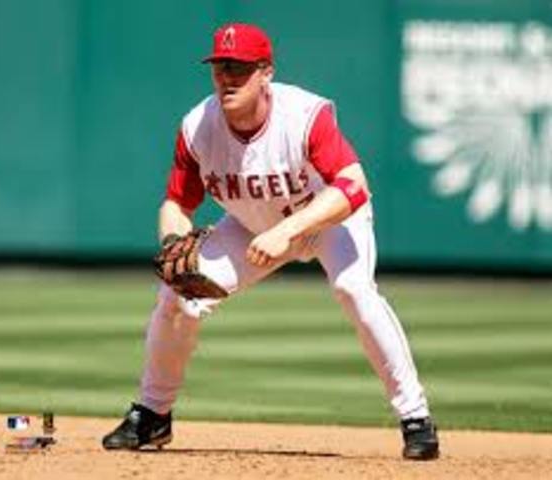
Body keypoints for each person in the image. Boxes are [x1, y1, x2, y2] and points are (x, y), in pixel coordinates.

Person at [102, 22, 439, 460]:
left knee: (353, 289)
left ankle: (416, 418)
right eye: (220, 67)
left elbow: (353, 186)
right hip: (251, 224)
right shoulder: (197, 126)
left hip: (328, 217)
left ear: (266, 72)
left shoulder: (303, 115)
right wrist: (172, 241)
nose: (228, 78)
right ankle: (153, 414)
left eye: (239, 68)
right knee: (176, 295)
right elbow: (177, 203)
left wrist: (287, 231)